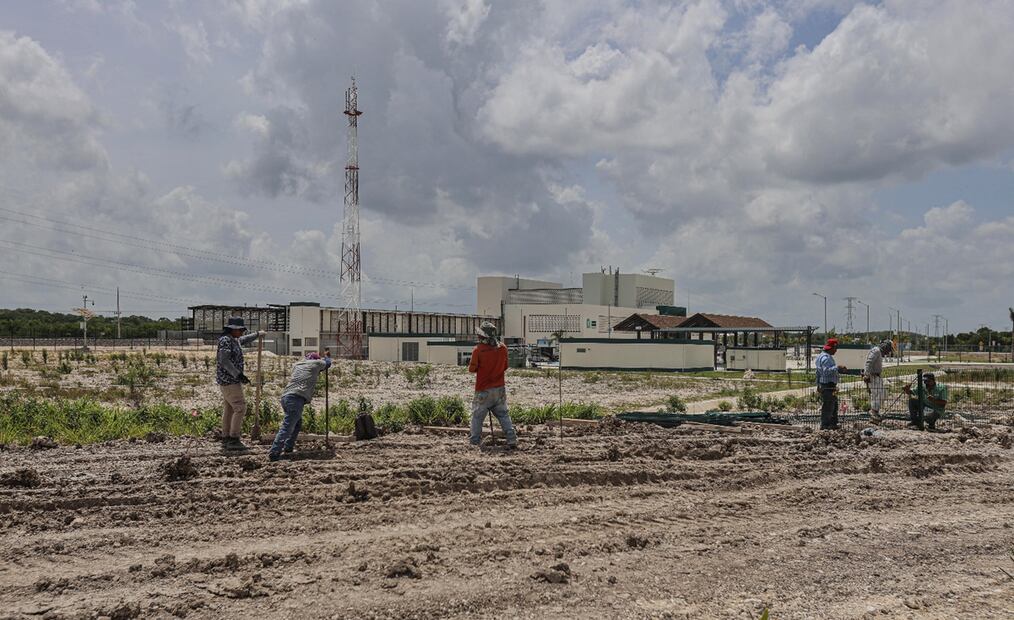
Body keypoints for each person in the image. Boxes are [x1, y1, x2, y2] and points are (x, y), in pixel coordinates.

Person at [269, 350, 332, 461]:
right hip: (296, 398)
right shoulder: (316, 363)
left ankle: (288, 446)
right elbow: (328, 363)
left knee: (297, 424)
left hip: (286, 397)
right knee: (287, 426)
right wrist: (327, 356)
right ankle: (274, 452)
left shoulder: (298, 364)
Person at [216, 317, 265, 451]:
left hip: (227, 381)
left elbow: (243, 340)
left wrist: (256, 335)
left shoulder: (233, 339)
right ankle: (234, 438)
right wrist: (238, 375)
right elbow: (224, 361)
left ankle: (226, 437)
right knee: (240, 408)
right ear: (233, 329)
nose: (242, 332)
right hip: (230, 381)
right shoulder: (226, 341)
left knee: (230, 408)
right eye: (241, 330)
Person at [468, 321, 517, 449]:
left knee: (477, 417)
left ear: (482, 336)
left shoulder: (478, 350)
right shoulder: (503, 348)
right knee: (503, 415)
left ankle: (474, 442)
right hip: (500, 388)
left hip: (483, 389)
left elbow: (472, 369)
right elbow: (505, 366)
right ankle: (511, 438)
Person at [814, 338, 847, 430]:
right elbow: (825, 372)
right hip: (828, 386)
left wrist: (818, 385)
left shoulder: (822, 356)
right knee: (828, 406)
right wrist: (837, 368)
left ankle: (833, 424)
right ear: (831, 348)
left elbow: (817, 373)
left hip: (829, 386)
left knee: (833, 405)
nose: (836, 351)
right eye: (835, 349)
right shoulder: (826, 358)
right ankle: (825, 425)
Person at [864, 340, 894, 423]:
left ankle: (875, 412)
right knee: (879, 394)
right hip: (872, 376)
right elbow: (868, 362)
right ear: (885, 347)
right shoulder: (876, 351)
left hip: (877, 376)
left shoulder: (878, 352)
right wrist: (866, 374)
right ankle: (874, 413)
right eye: (888, 350)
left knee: (880, 394)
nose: (888, 352)